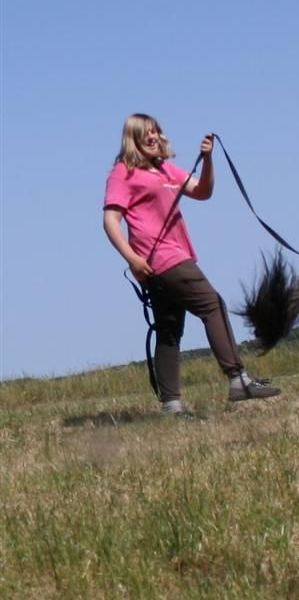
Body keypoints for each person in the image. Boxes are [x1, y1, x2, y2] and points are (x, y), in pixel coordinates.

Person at [103, 113, 281, 416]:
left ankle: (171, 406)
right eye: (146, 133)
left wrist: (207, 159)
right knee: (212, 305)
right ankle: (237, 379)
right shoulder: (123, 172)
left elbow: (202, 192)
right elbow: (110, 220)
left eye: (156, 131)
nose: (153, 136)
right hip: (162, 257)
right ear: (132, 139)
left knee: (169, 329)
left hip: (169, 256)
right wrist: (132, 258)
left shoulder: (165, 169)